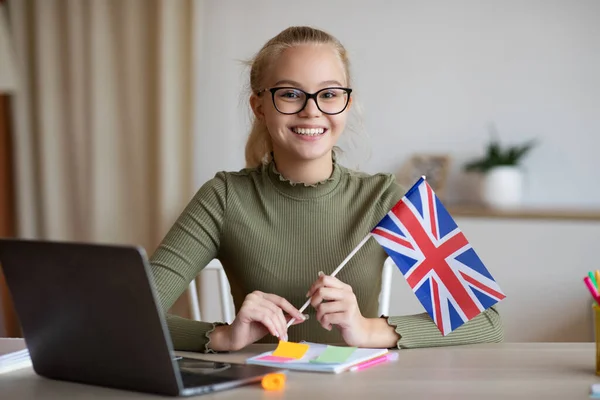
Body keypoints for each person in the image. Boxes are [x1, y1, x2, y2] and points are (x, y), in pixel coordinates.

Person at [149, 26, 503, 353]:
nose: (311, 110)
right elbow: (128, 316)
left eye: (329, 94)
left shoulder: (385, 198)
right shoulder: (223, 197)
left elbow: (485, 320)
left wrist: (368, 330)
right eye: (290, 94)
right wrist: (223, 336)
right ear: (259, 106)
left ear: (346, 103)